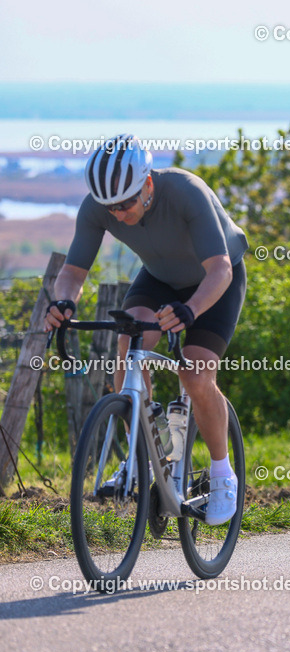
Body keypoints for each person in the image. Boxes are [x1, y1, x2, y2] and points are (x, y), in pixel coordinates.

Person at [44, 134, 249, 526]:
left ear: (148, 185)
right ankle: (144, 453)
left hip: (215, 280)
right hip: (159, 280)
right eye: (110, 207)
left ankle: (223, 475)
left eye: (126, 204)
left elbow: (220, 268)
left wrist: (190, 310)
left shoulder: (186, 191)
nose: (118, 214)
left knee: (194, 370)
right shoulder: (98, 208)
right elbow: (72, 272)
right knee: (129, 346)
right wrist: (64, 302)